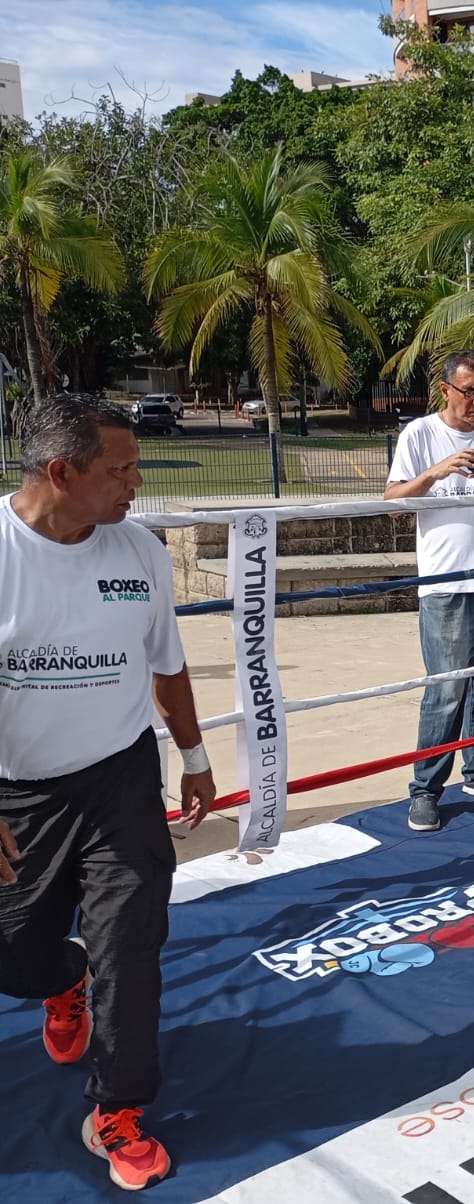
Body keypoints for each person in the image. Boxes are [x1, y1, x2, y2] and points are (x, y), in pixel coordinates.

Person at [0, 393, 215, 1192]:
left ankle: (118, 1107)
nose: (137, 483)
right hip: (16, 790)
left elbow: (167, 661)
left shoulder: (139, 552)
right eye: (120, 468)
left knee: (130, 942)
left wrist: (193, 753)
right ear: (61, 472)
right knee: (13, 954)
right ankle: (59, 980)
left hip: (120, 777)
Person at [384, 349, 474, 832]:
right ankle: (426, 790)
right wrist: (436, 471)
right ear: (445, 389)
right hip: (446, 585)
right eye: (470, 391)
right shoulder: (421, 434)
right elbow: (391, 502)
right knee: (446, 691)